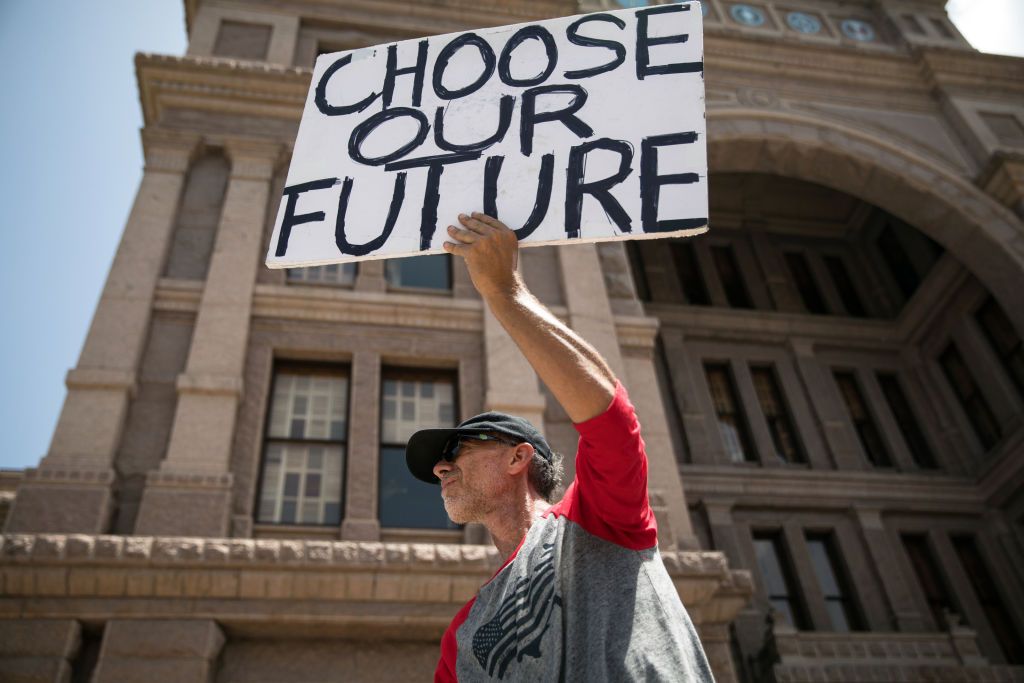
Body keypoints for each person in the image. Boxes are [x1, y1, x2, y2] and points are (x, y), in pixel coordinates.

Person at [404, 213, 714, 682]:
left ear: (518, 456)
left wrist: (506, 292)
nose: (441, 468)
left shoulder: (598, 519)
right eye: (439, 463)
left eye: (458, 450)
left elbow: (610, 418)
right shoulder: (463, 635)